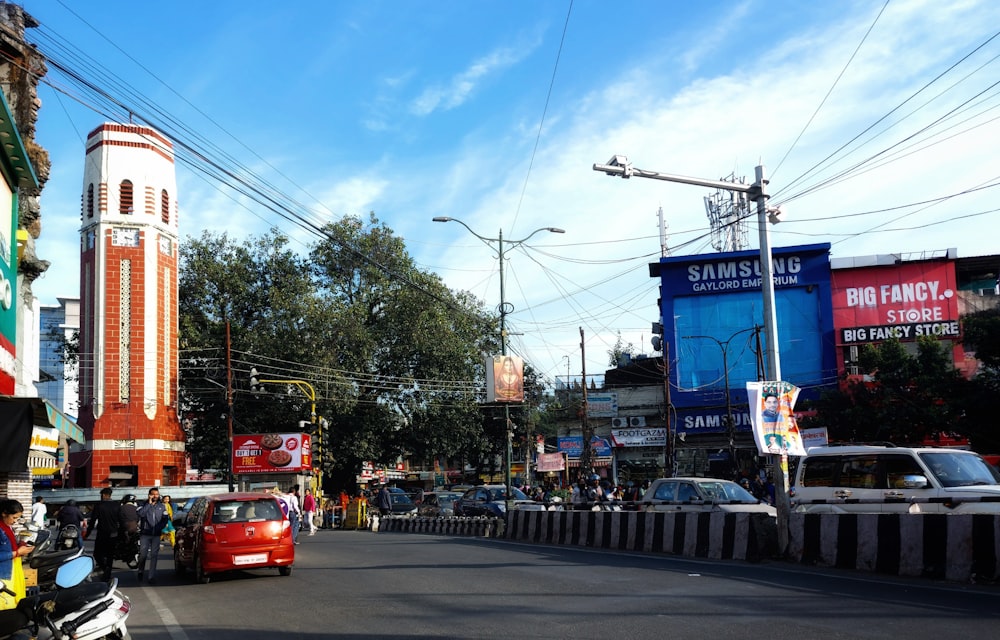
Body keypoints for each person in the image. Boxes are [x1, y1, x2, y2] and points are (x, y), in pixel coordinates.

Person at [0, 499, 31, 611]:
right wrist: (17, 552)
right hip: (3, 575)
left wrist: (22, 545)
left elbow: (8, 547)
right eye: (14, 518)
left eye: (17, 518)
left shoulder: (8, 527)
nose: (15, 521)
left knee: (11, 602)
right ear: (4, 513)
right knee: (5, 604)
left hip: (12, 570)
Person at [87, 487, 121, 582]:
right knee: (110, 555)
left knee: (97, 554)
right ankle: (107, 574)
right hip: (114, 534)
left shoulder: (99, 506)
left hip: (102, 533)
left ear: (104, 495)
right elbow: (121, 520)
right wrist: (122, 533)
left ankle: (104, 568)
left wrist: (88, 533)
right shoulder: (117, 505)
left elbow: (93, 521)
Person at [135, 488, 168, 584]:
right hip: (145, 534)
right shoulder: (142, 505)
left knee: (154, 555)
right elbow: (141, 514)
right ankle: (141, 570)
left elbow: (165, 519)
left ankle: (151, 576)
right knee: (143, 555)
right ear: (149, 495)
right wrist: (149, 504)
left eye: (157, 494)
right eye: (153, 494)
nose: (155, 496)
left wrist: (160, 527)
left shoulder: (161, 506)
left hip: (156, 535)